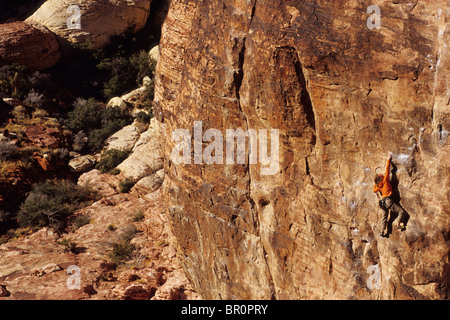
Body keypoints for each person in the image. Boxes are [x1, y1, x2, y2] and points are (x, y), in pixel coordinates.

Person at [373, 153, 406, 237]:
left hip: (383, 203)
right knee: (401, 212)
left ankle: (382, 231)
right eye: (381, 176)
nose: (382, 174)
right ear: (381, 179)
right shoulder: (385, 180)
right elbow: (387, 169)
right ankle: (399, 225)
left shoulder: (378, 186)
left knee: (384, 217)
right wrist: (388, 159)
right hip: (388, 200)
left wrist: (376, 184)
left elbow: (374, 190)